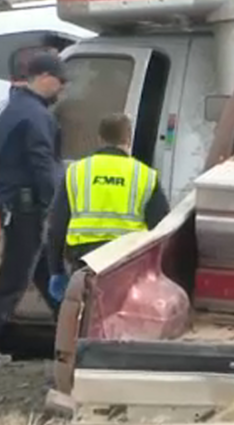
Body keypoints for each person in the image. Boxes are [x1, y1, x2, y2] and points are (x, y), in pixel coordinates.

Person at [0, 52, 68, 364]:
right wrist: (57, 206)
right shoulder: (35, 116)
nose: (62, 90)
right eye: (60, 82)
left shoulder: (18, 108)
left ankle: (75, 334)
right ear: (45, 78)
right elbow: (42, 167)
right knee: (15, 277)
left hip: (19, 205)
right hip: (27, 208)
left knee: (47, 272)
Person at [46, 113, 171, 301]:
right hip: (127, 261)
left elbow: (56, 225)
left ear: (100, 139)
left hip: (85, 261)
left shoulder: (76, 172)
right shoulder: (144, 175)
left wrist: (56, 270)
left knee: (86, 317)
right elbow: (162, 228)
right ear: (128, 138)